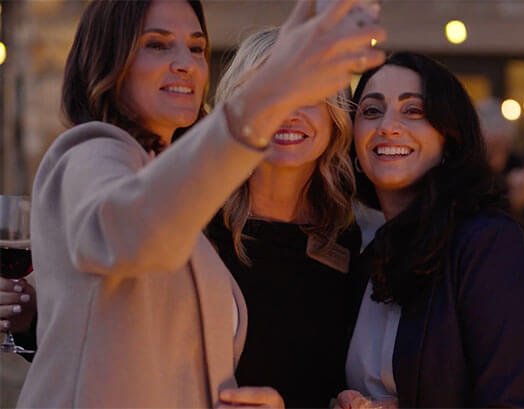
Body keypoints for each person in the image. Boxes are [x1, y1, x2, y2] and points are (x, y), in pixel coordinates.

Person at [15, 0, 385, 407]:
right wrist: (268, 96)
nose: (185, 63)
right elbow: (131, 233)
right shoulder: (91, 152)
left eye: (196, 48)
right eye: (157, 44)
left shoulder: (349, 234)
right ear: (107, 57)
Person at [336, 52, 524, 408]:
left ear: (449, 138)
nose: (387, 126)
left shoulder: (489, 247)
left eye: (413, 111)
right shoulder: (366, 254)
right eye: (370, 111)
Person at [204, 28, 365, 408]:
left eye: (309, 96)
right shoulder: (196, 226)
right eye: (270, 95)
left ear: (335, 114)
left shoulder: (355, 237)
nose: (289, 113)